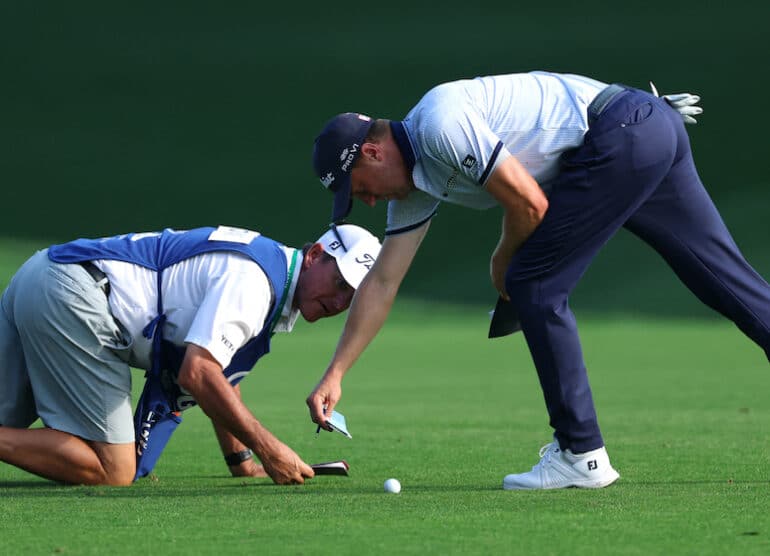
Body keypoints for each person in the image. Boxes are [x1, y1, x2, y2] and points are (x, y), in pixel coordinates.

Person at [307, 71, 770, 490]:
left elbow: (529, 203)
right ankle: (580, 449)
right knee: (721, 276)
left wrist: (501, 261)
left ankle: (581, 454)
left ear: (373, 152)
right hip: (646, 126)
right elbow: (383, 282)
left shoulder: (437, 125)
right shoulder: (416, 184)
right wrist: (336, 373)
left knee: (534, 284)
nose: (367, 202)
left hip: (622, 132)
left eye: (359, 188)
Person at [0, 224, 381, 486]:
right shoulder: (256, 283)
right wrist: (269, 450)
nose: (339, 302)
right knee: (112, 469)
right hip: (76, 299)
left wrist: (242, 462)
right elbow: (198, 373)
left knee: (6, 421)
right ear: (315, 255)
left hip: (45, 273)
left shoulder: (269, 267)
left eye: (351, 297)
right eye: (340, 283)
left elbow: (221, 374)